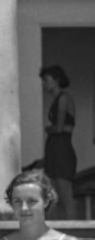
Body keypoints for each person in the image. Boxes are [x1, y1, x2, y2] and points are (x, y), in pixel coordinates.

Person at [40, 65, 77, 220]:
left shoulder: (63, 98)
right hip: (55, 149)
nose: (44, 84)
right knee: (58, 197)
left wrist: (49, 129)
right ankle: (64, 230)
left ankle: (74, 232)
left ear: (56, 80)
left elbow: (60, 128)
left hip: (62, 149)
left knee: (65, 193)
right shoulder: (57, 99)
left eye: (46, 80)